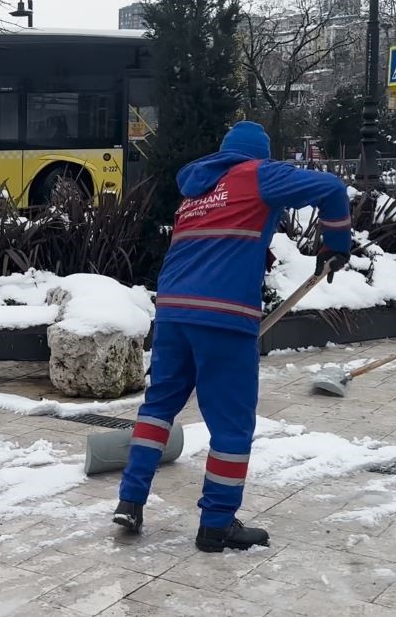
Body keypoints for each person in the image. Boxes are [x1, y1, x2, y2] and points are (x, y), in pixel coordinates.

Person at [112, 121, 352, 552]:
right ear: (258, 155)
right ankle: (216, 524)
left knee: (159, 408)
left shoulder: (197, 192)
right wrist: (335, 245)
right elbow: (331, 187)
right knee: (231, 426)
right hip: (223, 319)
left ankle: (130, 499)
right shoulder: (255, 173)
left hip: (172, 313)